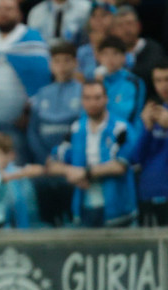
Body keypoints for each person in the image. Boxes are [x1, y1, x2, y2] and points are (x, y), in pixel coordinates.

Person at [46, 80, 137, 227]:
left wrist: (85, 173)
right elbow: (52, 162)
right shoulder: (76, 129)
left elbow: (121, 165)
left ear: (106, 99)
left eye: (97, 97)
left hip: (117, 208)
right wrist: (70, 171)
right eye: (87, 98)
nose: (92, 103)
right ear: (82, 100)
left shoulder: (121, 128)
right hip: (84, 208)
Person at [0, 0, 51, 162]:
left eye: (9, 9)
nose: (3, 13)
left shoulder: (31, 39)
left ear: (19, 14)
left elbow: (42, 79)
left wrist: (29, 111)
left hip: (20, 123)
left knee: (15, 167)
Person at [27, 41, 82, 225]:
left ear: (75, 63)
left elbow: (82, 130)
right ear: (51, 65)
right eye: (57, 61)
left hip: (71, 165)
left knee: (71, 215)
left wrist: (67, 159)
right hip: (46, 164)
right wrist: (45, 159)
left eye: (67, 60)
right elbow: (33, 132)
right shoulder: (42, 94)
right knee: (46, 211)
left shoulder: (83, 93)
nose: (62, 66)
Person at [135, 59, 168, 226]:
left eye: (167, 79)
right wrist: (147, 129)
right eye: (158, 80)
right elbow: (137, 158)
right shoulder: (153, 112)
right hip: (150, 192)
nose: (163, 86)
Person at [96, 35, 145, 129]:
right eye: (105, 54)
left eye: (115, 53)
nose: (110, 58)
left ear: (124, 57)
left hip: (126, 135)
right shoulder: (95, 82)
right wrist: (98, 84)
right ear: (99, 57)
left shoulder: (135, 82)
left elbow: (138, 116)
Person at [26, 0, 91, 45]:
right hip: (45, 55)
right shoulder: (36, 13)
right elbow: (32, 41)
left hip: (76, 54)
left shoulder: (85, 9)